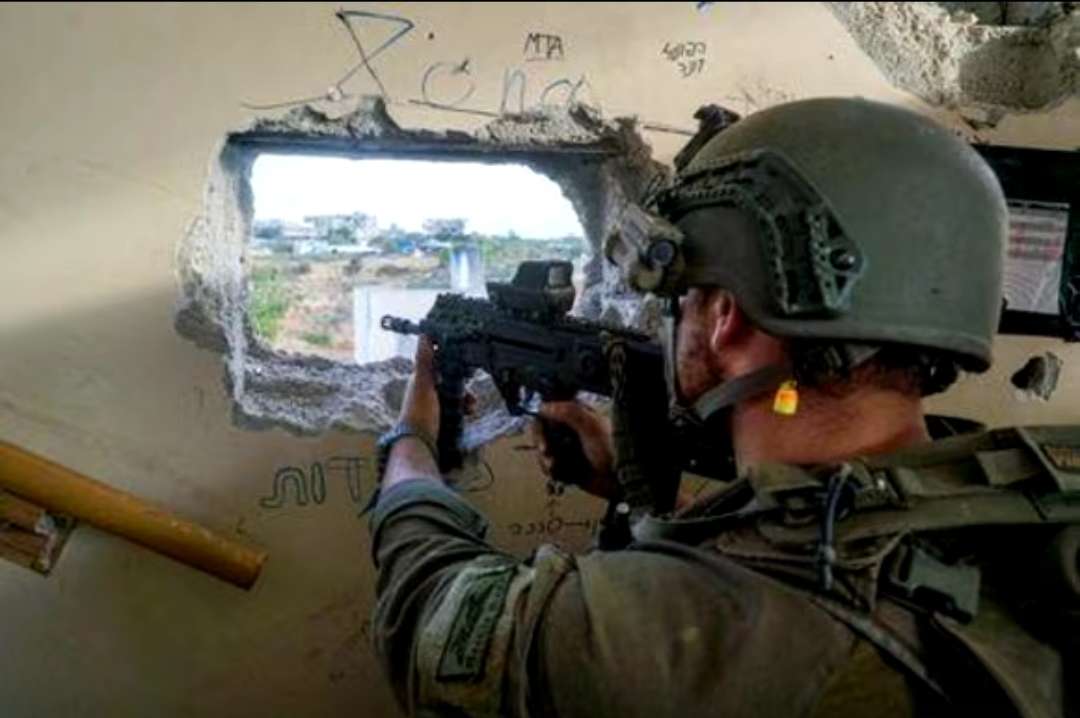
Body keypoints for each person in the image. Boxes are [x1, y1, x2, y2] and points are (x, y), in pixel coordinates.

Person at [368, 98, 1077, 717]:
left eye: (681, 299)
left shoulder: (688, 638)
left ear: (726, 321)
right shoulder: (1028, 502)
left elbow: (427, 619)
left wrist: (411, 442)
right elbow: (811, 536)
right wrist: (635, 487)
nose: (670, 321)